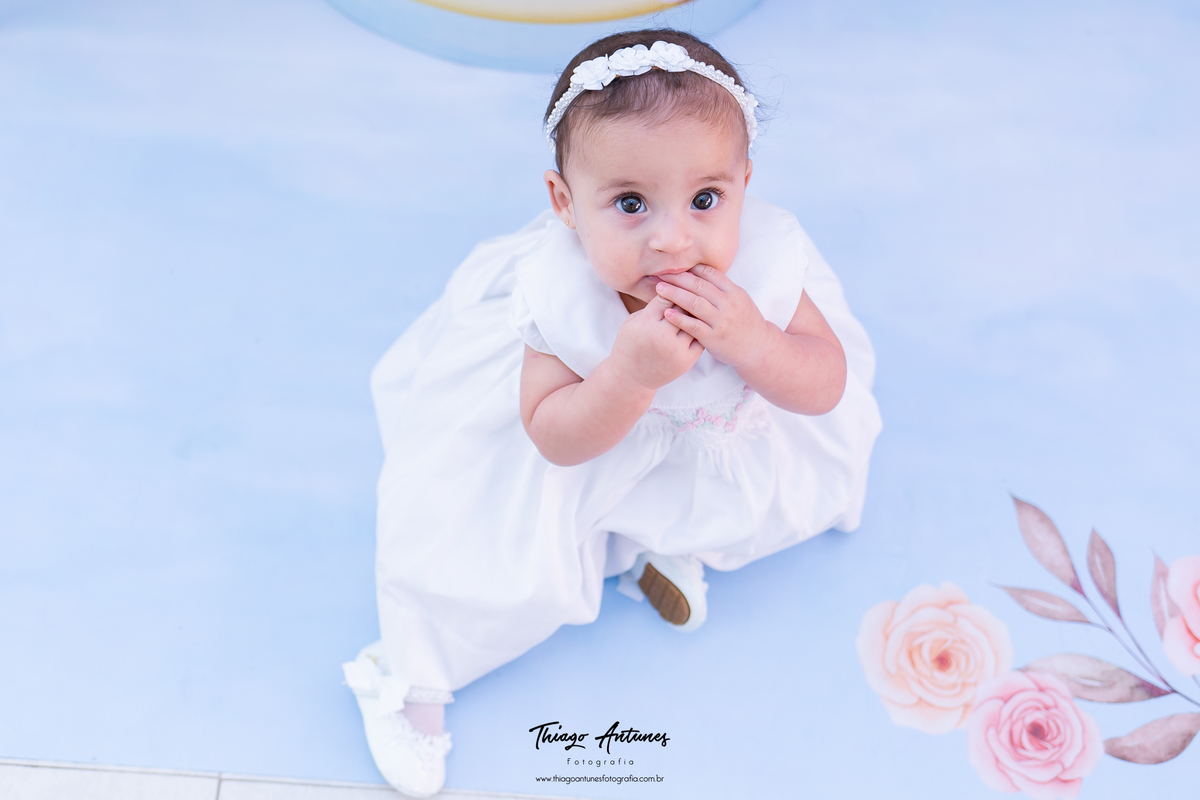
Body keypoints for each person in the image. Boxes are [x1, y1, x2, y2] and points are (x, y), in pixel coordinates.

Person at [342, 28, 882, 797]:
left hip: (707, 441)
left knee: (761, 501)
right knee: (496, 559)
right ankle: (408, 674)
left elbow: (823, 384)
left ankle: (651, 546)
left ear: (744, 184)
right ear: (564, 202)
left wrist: (756, 343)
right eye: (630, 203)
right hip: (589, 443)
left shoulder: (763, 264)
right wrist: (629, 375)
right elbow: (556, 438)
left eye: (705, 199)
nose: (673, 239)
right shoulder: (563, 298)